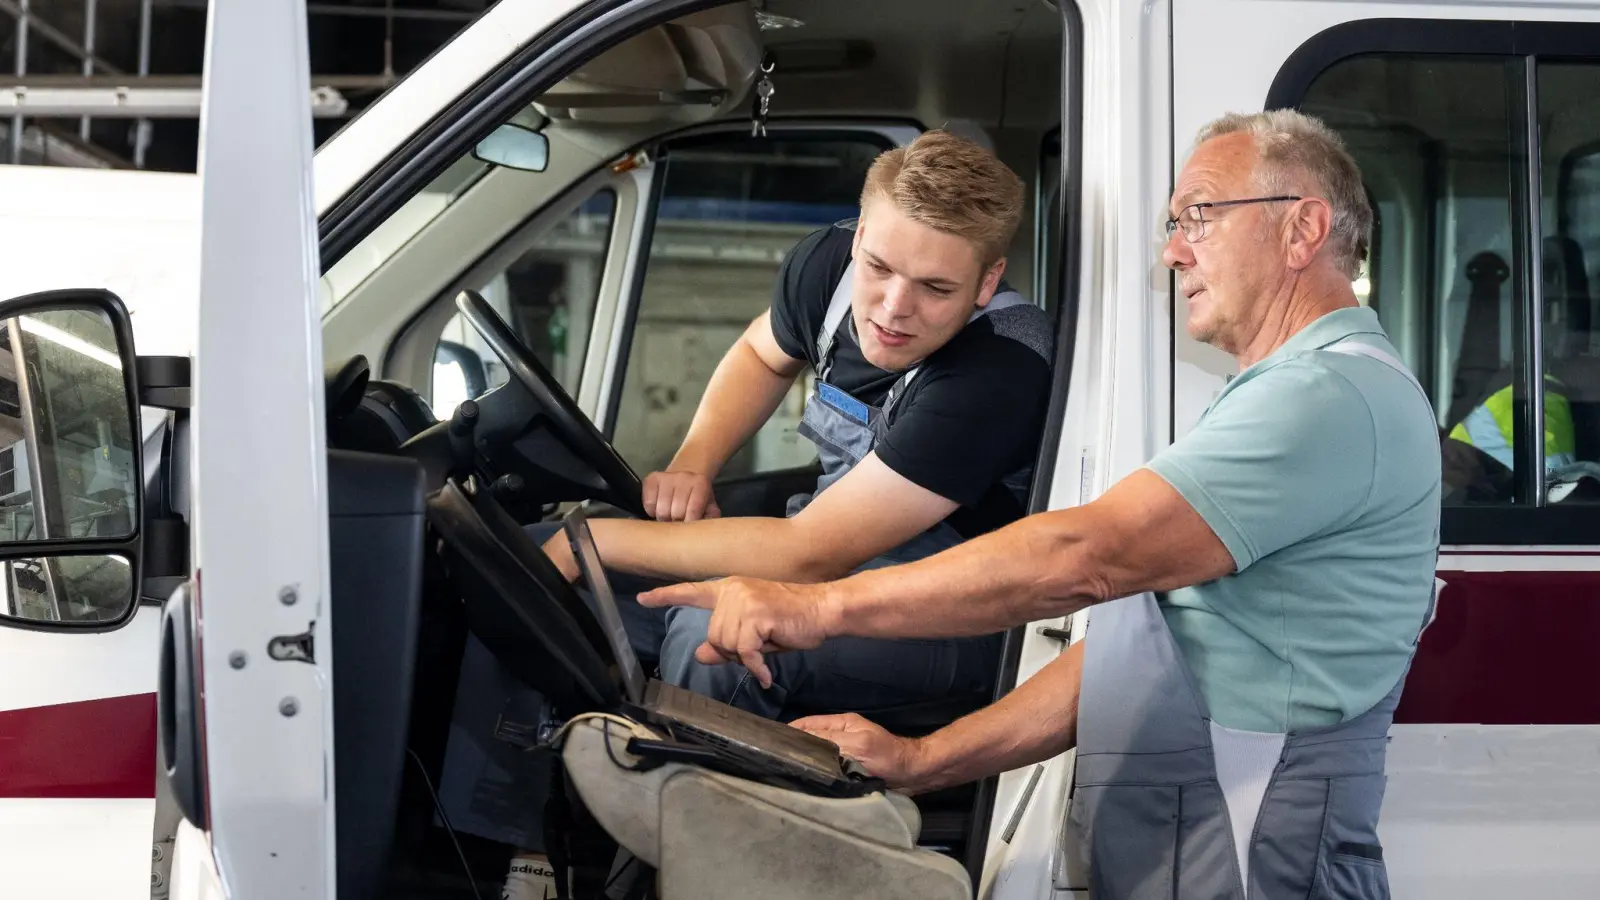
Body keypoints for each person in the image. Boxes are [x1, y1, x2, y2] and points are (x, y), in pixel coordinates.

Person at [639, 110, 1443, 900]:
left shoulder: (1327, 396)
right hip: (1189, 843)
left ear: (1302, 230)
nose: (1171, 250)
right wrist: (927, 761)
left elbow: (1082, 559)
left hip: (1256, 851)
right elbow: (1142, 658)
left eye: (1198, 215)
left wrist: (820, 607)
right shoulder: (1278, 394)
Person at [537, 128, 1055, 720]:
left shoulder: (1000, 370)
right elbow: (761, 354)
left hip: (955, 617)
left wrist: (596, 538)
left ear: (988, 281)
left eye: (936, 288)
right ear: (857, 236)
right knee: (530, 564)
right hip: (833, 560)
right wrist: (696, 459)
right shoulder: (828, 267)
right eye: (879, 267)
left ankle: (684, 805)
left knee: (721, 638)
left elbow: (810, 554)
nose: (893, 308)